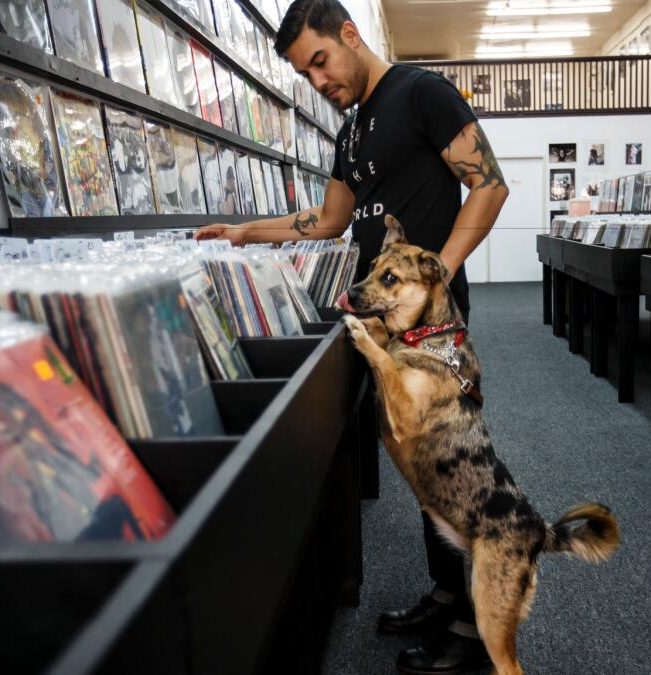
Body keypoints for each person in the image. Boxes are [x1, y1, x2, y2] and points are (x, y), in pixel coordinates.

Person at [194, 2, 509, 672]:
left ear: (349, 34)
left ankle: (477, 630)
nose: (318, 80)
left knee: (455, 472)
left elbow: (490, 186)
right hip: (380, 326)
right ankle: (448, 593)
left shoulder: (422, 92)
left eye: (320, 61)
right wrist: (244, 232)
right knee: (419, 468)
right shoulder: (351, 128)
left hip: (429, 329)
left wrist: (436, 276)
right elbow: (333, 218)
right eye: (304, 74)